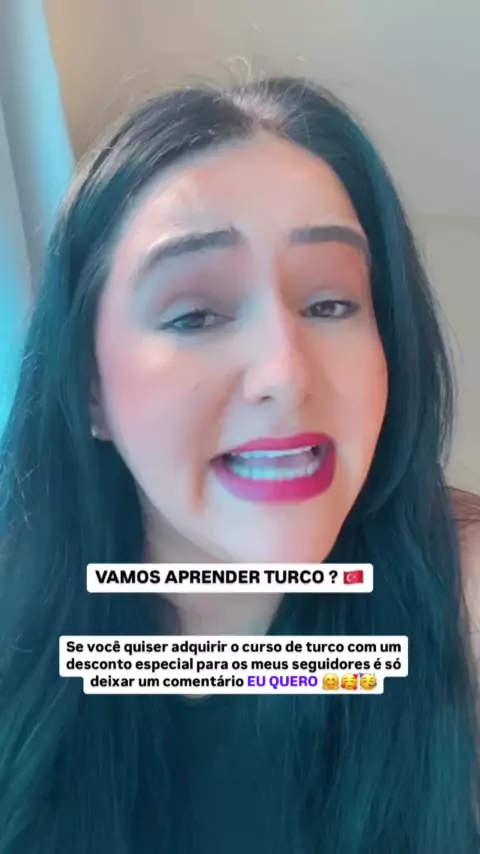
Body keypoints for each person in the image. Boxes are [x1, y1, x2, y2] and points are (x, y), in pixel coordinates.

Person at [0, 76, 479, 854]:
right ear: (90, 390)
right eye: (195, 314)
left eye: (330, 304)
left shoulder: (461, 598)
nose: (284, 373)